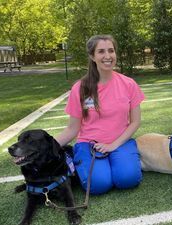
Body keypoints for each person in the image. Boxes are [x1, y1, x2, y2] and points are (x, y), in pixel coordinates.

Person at [56, 35, 145, 195]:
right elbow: (72, 129)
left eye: (111, 51)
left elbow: (135, 122)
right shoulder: (80, 88)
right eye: (101, 51)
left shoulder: (129, 84)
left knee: (128, 180)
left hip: (121, 141)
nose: (107, 56)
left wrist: (113, 145)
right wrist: (47, 147)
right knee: (99, 185)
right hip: (89, 144)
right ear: (92, 56)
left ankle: (117, 163)